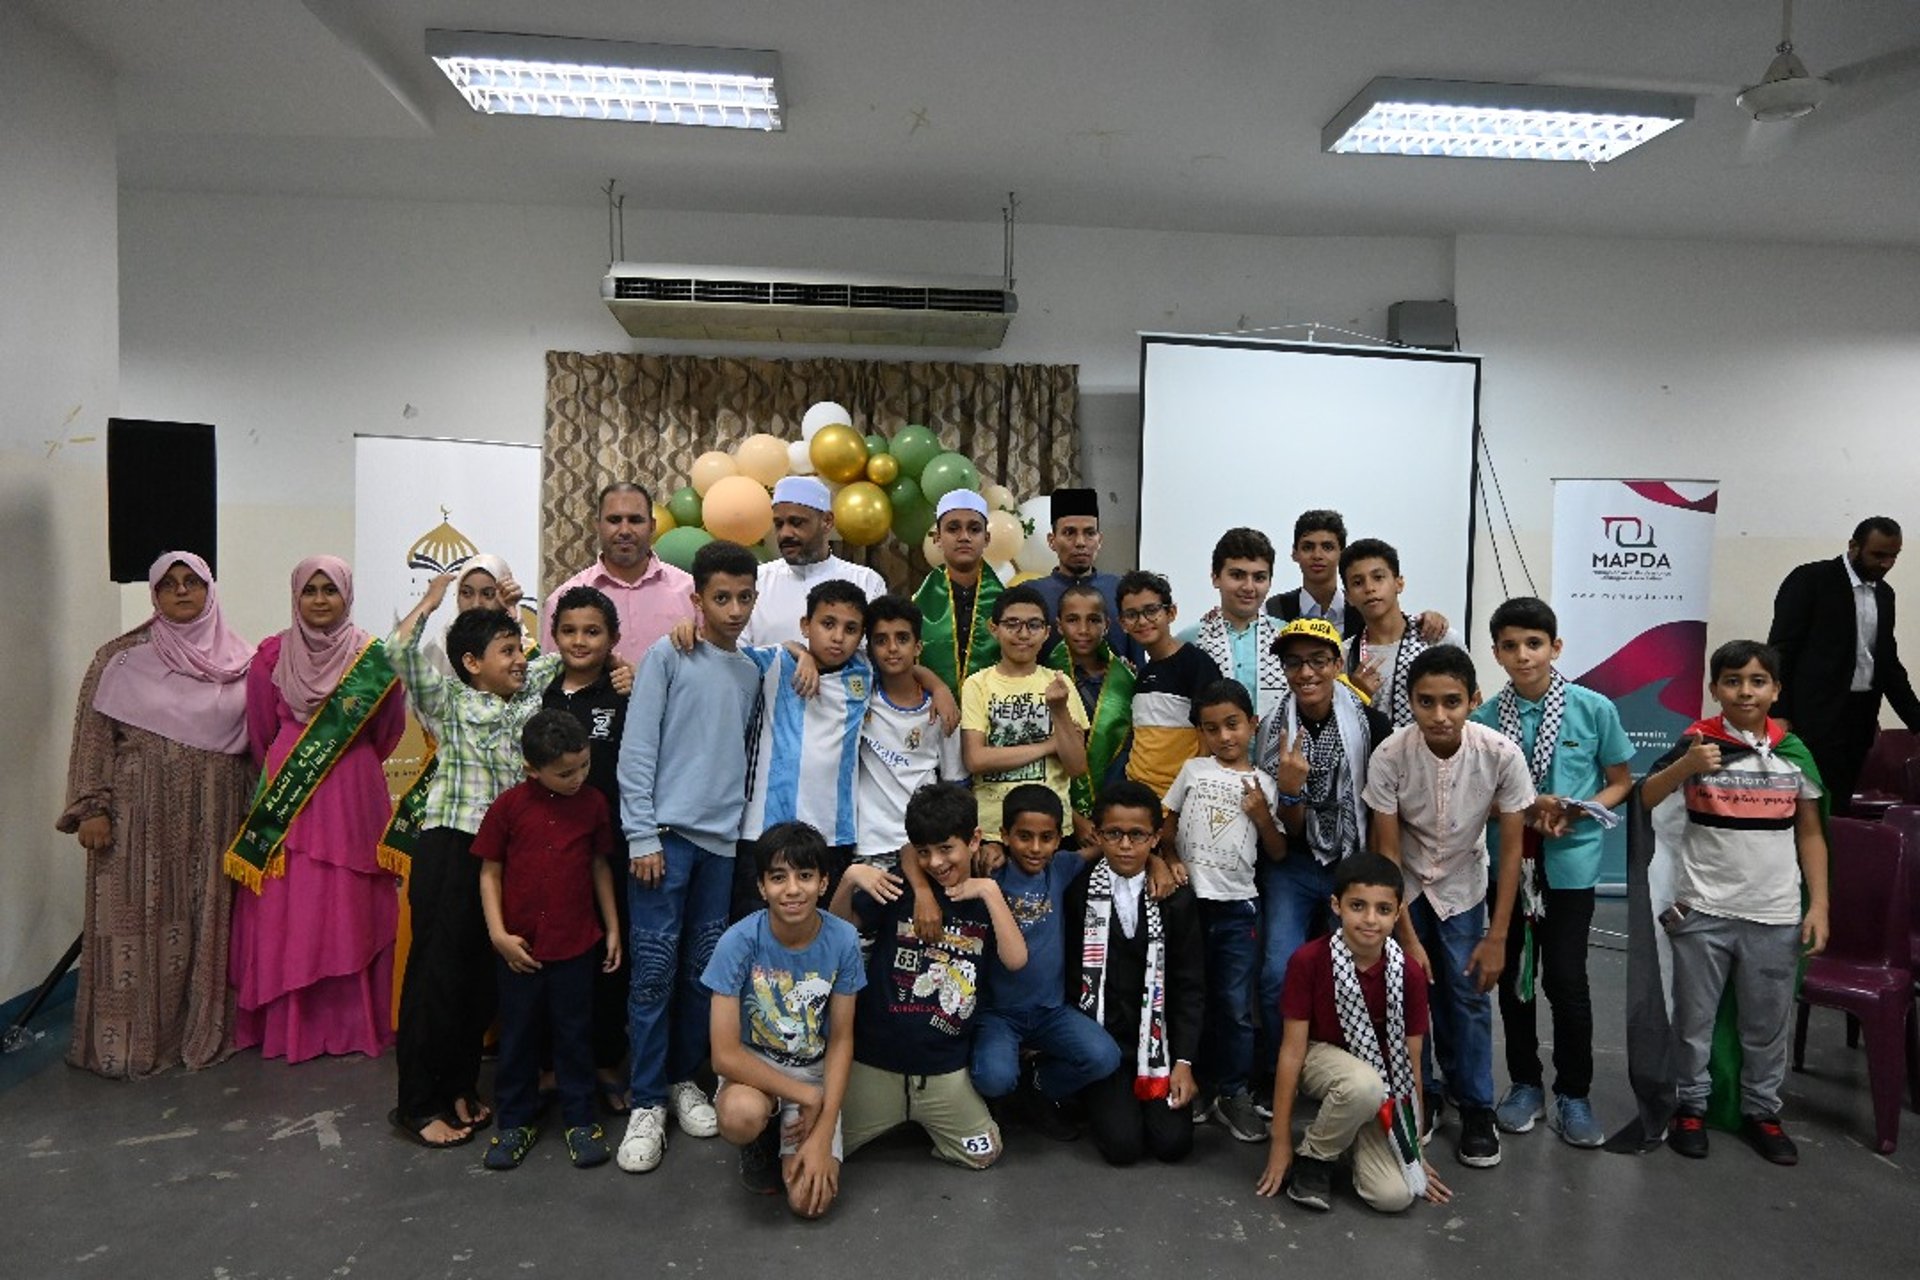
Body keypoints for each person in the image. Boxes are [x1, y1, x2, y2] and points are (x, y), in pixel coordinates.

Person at [385, 572, 569, 1148]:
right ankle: (417, 1105)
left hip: (502, 860)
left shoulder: (528, 691)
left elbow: (573, 652)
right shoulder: (449, 699)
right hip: (450, 848)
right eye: (506, 652)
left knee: (478, 982)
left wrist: (617, 666)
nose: (520, 660)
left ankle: (460, 1088)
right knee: (436, 978)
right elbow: (397, 651)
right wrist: (430, 602)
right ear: (470, 663)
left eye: (519, 649)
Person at [58, 551, 254, 1078]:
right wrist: (91, 807)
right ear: (154, 595)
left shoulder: (242, 661)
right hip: (136, 820)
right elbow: (93, 736)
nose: (182, 591)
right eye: (169, 584)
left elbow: (257, 742)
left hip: (216, 817)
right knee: (134, 923)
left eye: (192, 581)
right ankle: (128, 1045)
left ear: (209, 589)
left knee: (204, 923)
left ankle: (198, 1032)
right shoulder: (119, 659)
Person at [1640, 640, 1829, 1166]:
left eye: (1757, 681)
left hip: (1774, 913)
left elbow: (1811, 834)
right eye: (1732, 680)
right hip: (1703, 909)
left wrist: (1819, 906)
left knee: (1766, 1025)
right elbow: (1646, 798)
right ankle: (1690, 1106)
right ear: (1714, 688)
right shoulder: (1698, 743)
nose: (1745, 691)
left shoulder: (1794, 753)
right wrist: (1685, 766)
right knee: (1693, 1021)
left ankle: (1762, 1110)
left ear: (1776, 690)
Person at [615, 540, 763, 1174]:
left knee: (703, 973)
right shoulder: (668, 655)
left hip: (721, 846)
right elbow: (637, 748)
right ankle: (646, 1100)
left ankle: (681, 1079)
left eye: (744, 597)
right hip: (665, 840)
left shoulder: (751, 672)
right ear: (697, 600)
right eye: (721, 598)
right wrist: (641, 833)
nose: (734, 610)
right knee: (652, 972)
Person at [227, 555, 406, 1064]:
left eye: (331, 589)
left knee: (352, 903)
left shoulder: (374, 657)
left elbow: (388, 730)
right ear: (296, 596)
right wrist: (295, 765)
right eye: (311, 590)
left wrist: (347, 760)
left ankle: (353, 1022)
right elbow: (261, 730)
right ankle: (292, 1026)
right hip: (290, 794)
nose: (321, 599)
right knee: (292, 906)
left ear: (347, 594)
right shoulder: (270, 656)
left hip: (353, 795)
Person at [1469, 597, 1633, 1148]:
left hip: (1570, 865)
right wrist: (1521, 808)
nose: (1523, 655)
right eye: (1510, 646)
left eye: (1534, 644)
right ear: (1496, 653)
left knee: (1565, 978)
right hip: (1509, 865)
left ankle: (1574, 1092)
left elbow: (1620, 781)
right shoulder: (1484, 721)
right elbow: (1478, 798)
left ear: (1555, 648)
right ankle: (1524, 1085)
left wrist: (1579, 809)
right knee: (1515, 979)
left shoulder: (1593, 708)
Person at [1363, 645, 1534, 1169]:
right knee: (1410, 989)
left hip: (1465, 884)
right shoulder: (1390, 755)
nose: (1439, 715)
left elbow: (1512, 852)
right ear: (1410, 701)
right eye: (1426, 702)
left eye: (1452, 702)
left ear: (1473, 700)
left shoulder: (1501, 754)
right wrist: (1407, 936)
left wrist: (1497, 937)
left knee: (1468, 993)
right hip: (1406, 888)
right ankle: (1427, 1092)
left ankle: (1477, 1106)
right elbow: (1387, 853)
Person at [832, 783, 1027, 1171]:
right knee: (818, 1148)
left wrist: (990, 892)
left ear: (974, 840)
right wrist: (850, 878)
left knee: (983, 1153)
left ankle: (921, 1120)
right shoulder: (902, 886)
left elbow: (1016, 959)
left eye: (946, 848)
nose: (936, 862)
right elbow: (838, 928)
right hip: (875, 1063)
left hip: (943, 1069)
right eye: (924, 852)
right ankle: (890, 1114)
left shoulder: (987, 896)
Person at [1255, 852, 1450, 1214]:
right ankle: (1314, 1155)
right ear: (1336, 906)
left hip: (1383, 1085)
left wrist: (1414, 1150)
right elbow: (1292, 1052)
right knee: (1363, 1085)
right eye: (1358, 906)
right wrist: (1280, 1141)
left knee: (1394, 1197)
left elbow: (1412, 1065)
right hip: (1321, 1061)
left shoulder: (1408, 973)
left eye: (1383, 909)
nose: (1370, 919)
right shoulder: (1309, 960)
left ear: (1398, 912)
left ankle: (1345, 1138)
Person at [474, 711, 622, 1170]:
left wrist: (613, 927)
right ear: (531, 770)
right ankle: (514, 1122)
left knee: (575, 1035)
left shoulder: (593, 804)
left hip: (576, 945)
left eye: (584, 766)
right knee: (517, 1037)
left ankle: (581, 1120)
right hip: (519, 950)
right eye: (565, 772)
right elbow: (490, 872)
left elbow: (599, 866)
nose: (578, 778)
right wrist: (498, 934)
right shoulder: (508, 807)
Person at [1254, 618, 1394, 1086]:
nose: (1306, 673)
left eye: (1318, 660)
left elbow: (1381, 808)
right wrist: (1290, 791)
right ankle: (1280, 1074)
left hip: (1353, 860)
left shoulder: (1372, 724)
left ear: (1338, 665)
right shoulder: (1272, 729)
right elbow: (1285, 830)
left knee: (1357, 970)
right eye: (1294, 663)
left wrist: (1375, 876)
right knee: (1278, 971)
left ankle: (1356, 1076)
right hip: (1293, 862)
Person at [704, 823, 865, 1217]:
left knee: (808, 1203)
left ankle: (793, 1127)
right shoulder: (737, 942)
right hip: (754, 1072)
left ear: (823, 882)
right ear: (762, 887)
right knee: (740, 1116)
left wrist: (824, 1127)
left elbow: (842, 1039)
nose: (792, 889)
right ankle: (762, 1134)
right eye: (778, 878)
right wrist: (806, 1098)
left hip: (812, 1070)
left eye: (805, 876)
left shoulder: (844, 939)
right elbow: (724, 1055)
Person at [1160, 679, 1285, 1141]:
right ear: (1201, 732)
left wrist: (1261, 816)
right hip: (1191, 905)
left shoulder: (1265, 784)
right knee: (1190, 994)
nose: (1224, 736)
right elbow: (1167, 830)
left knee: (1234, 1004)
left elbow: (1277, 851)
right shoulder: (1192, 770)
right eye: (1211, 728)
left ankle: (1234, 1091)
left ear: (1252, 724)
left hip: (1238, 908)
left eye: (1233, 725)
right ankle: (1196, 1081)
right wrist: (1170, 859)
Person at [970, 784, 1124, 1140]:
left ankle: (1038, 1086)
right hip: (998, 1015)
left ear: (1058, 838)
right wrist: (989, 849)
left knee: (1104, 1057)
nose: (1036, 848)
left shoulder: (1061, 868)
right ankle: (1001, 1091)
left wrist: (1160, 861)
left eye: (1046, 838)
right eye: (1024, 836)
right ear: (1005, 834)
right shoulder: (989, 875)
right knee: (994, 1078)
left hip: (1050, 1012)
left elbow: (1107, 846)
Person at [1064, 781, 1205, 1166]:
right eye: (1114, 834)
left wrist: (1184, 1062)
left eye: (1137, 835)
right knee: (1123, 1146)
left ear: (1156, 838)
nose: (1125, 845)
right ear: (1097, 835)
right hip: (1103, 1040)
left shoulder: (1175, 897)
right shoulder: (1077, 890)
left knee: (1173, 1143)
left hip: (1158, 1043)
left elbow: (1189, 984)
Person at [541, 585, 633, 1111]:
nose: (580, 641)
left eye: (593, 632)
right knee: (550, 954)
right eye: (569, 630)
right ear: (554, 636)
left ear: (613, 638)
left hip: (608, 845)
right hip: (546, 847)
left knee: (609, 955)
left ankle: (604, 1060)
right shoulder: (538, 693)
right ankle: (550, 1065)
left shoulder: (624, 691)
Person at [1766, 516, 1920, 815]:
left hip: (1859, 718)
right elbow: (1781, 651)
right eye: (1878, 555)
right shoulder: (1811, 580)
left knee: (1838, 806)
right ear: (1853, 546)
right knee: (1805, 807)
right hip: (1811, 718)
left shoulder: (1884, 594)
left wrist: (1916, 720)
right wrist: (1779, 712)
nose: (1887, 564)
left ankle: (1835, 847)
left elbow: (1887, 664)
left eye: (1894, 556)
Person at [960, 584, 1090, 846]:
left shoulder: (1059, 683)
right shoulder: (977, 684)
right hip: (994, 830)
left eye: (1033, 625)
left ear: (1046, 632)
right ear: (994, 629)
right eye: (1012, 624)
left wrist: (1059, 710)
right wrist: (1048, 746)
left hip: (1052, 829)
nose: (1023, 634)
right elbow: (975, 759)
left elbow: (1076, 766)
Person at [855, 594, 966, 877]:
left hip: (927, 846)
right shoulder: (859, 697)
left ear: (918, 646)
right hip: (871, 845)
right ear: (870, 648)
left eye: (902, 638)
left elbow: (955, 782)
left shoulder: (941, 708)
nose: (892, 648)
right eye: (881, 640)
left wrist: (939, 689)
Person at [543, 482, 698, 668]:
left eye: (635, 520)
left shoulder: (692, 593)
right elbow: (551, 678)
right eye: (614, 520)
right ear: (597, 526)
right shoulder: (562, 601)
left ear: (652, 526)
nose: (625, 531)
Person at [741, 475, 888, 648]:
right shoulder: (755, 582)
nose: (785, 533)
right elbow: (738, 654)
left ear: (827, 521)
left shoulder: (866, 581)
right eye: (779, 524)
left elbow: (876, 652)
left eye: (796, 523)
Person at [1265, 511, 1450, 646]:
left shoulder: (1366, 605)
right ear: (1294, 553)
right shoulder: (1275, 609)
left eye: (1327, 547)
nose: (1317, 555)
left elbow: (1397, 627)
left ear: (1342, 553)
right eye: (1308, 547)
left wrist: (1429, 619)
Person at [1117, 570, 1223, 798]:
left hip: (1179, 799)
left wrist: (1190, 793)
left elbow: (1211, 734)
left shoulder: (1196, 663)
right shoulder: (1144, 673)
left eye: (1151, 610)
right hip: (1140, 797)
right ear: (1122, 623)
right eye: (1132, 614)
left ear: (1171, 612)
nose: (1142, 621)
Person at [1340, 538, 1464, 728]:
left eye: (1378, 577)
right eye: (1358, 582)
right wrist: (1355, 695)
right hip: (1373, 747)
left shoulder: (1438, 638)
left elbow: (1471, 704)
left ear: (1399, 583)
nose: (1369, 588)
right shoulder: (1344, 656)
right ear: (1348, 597)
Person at [1045, 581, 1135, 842]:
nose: (1083, 630)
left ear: (1107, 625)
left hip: (1118, 806)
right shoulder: (1043, 678)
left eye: (1093, 620)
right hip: (1060, 813)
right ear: (1059, 625)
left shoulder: (1126, 679)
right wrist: (1073, 816)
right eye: (1073, 620)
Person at [1180, 527, 1288, 724]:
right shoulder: (1189, 641)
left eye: (1259, 578)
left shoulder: (1287, 638)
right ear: (1215, 577)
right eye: (1237, 575)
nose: (1248, 587)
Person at [1028, 487, 1141, 664]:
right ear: (1052, 541)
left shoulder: (1122, 591)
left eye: (1089, 533)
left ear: (1099, 540)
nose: (1080, 542)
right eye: (1069, 533)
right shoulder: (1031, 593)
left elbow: (1137, 664)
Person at [914, 489, 1003, 696]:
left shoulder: (1007, 604)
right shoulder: (916, 605)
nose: (964, 537)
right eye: (953, 529)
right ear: (937, 538)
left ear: (986, 538)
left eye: (974, 529)